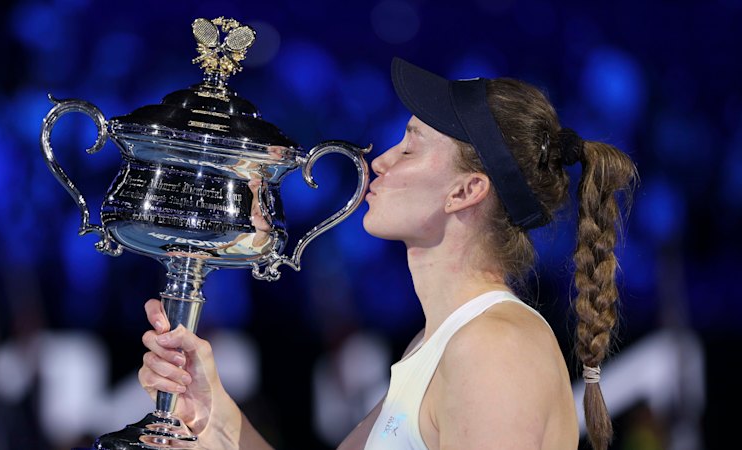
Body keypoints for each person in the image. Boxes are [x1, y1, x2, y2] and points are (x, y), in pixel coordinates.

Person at [138, 57, 637, 450]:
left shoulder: (495, 349)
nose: (381, 160)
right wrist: (212, 413)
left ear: (466, 191)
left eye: (410, 146)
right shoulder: (439, 341)